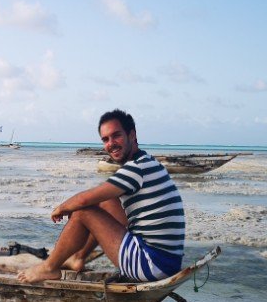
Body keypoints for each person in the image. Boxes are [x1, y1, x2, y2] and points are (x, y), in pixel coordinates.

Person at [17, 109, 185, 283]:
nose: (111, 143)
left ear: (132, 135)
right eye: (105, 139)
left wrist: (61, 208)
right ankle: (78, 258)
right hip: (167, 262)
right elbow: (102, 198)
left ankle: (49, 268)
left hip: (150, 265)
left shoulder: (136, 169)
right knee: (107, 200)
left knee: (84, 211)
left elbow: (84, 200)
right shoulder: (147, 162)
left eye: (116, 136)